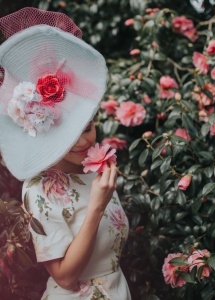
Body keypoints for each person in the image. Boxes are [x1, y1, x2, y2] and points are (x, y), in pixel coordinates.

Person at [0, 7, 131, 300]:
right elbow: (66, 277)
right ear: (46, 134)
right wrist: (97, 206)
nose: (83, 141)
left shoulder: (95, 171)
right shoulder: (37, 190)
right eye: (67, 135)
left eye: (87, 127)